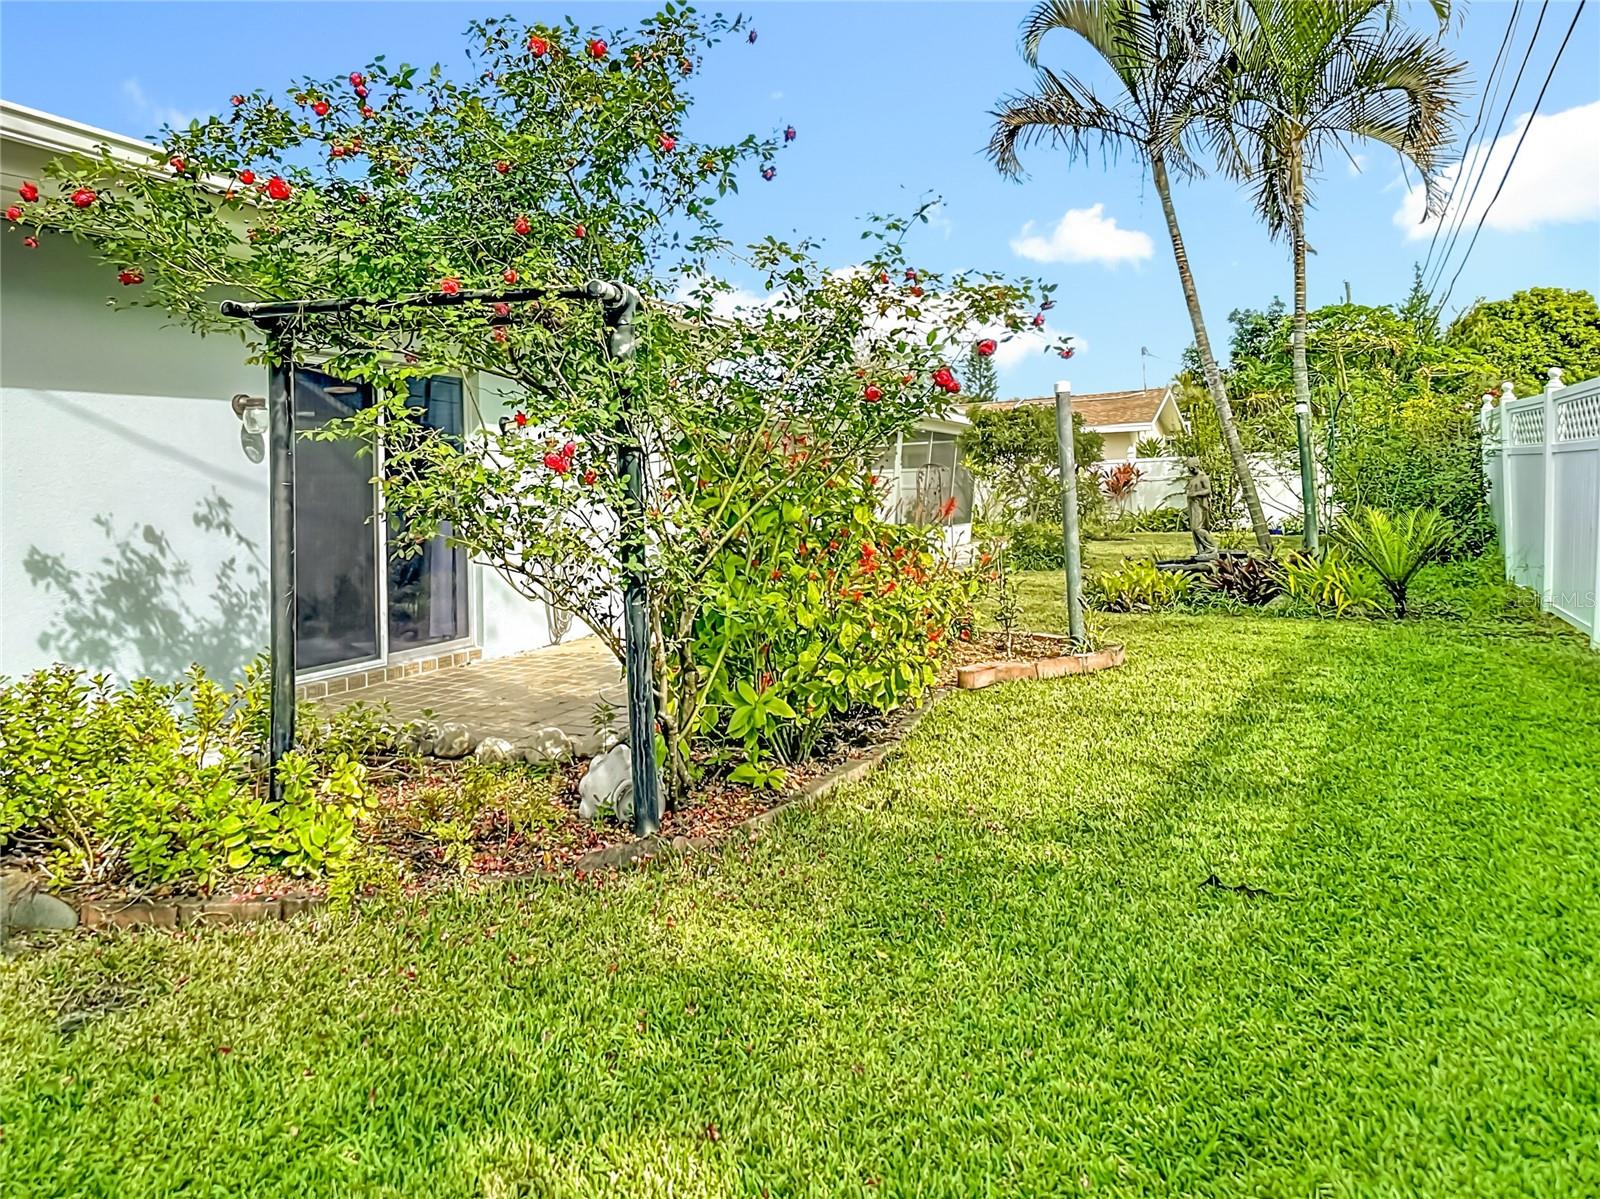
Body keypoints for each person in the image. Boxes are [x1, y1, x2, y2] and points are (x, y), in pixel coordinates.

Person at [1183, 457, 1219, 559]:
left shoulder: (1203, 477)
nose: (1189, 470)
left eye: (1190, 467)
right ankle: (1201, 550)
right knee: (1194, 530)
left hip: (1200, 505)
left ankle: (1211, 547)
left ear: (1194, 467)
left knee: (1198, 528)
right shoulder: (1193, 478)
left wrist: (1196, 494)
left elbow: (1208, 490)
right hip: (1192, 505)